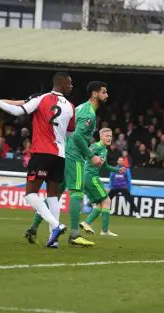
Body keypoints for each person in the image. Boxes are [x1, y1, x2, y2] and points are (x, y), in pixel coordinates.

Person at [23, 81, 107, 248]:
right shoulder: (89, 113)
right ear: (95, 94)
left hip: (62, 153)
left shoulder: (81, 108)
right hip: (73, 155)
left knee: (56, 193)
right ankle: (74, 235)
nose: (107, 95)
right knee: (76, 192)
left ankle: (33, 228)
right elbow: (76, 136)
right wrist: (91, 156)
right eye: (104, 92)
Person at [0, 72, 76, 248]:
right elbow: (70, 132)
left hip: (41, 153)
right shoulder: (70, 106)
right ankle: (53, 240)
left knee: (31, 194)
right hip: (59, 155)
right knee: (53, 196)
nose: (72, 86)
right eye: (70, 84)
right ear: (61, 84)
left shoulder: (41, 99)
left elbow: (17, 111)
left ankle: (56, 226)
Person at [80, 128, 125, 237]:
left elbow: (105, 166)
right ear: (101, 137)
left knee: (101, 203)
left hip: (91, 177)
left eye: (110, 136)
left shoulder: (104, 150)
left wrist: (117, 169)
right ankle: (104, 230)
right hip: (90, 177)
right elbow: (86, 154)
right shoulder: (96, 146)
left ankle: (87, 223)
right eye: (107, 136)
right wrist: (92, 158)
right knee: (107, 201)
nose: (109, 138)